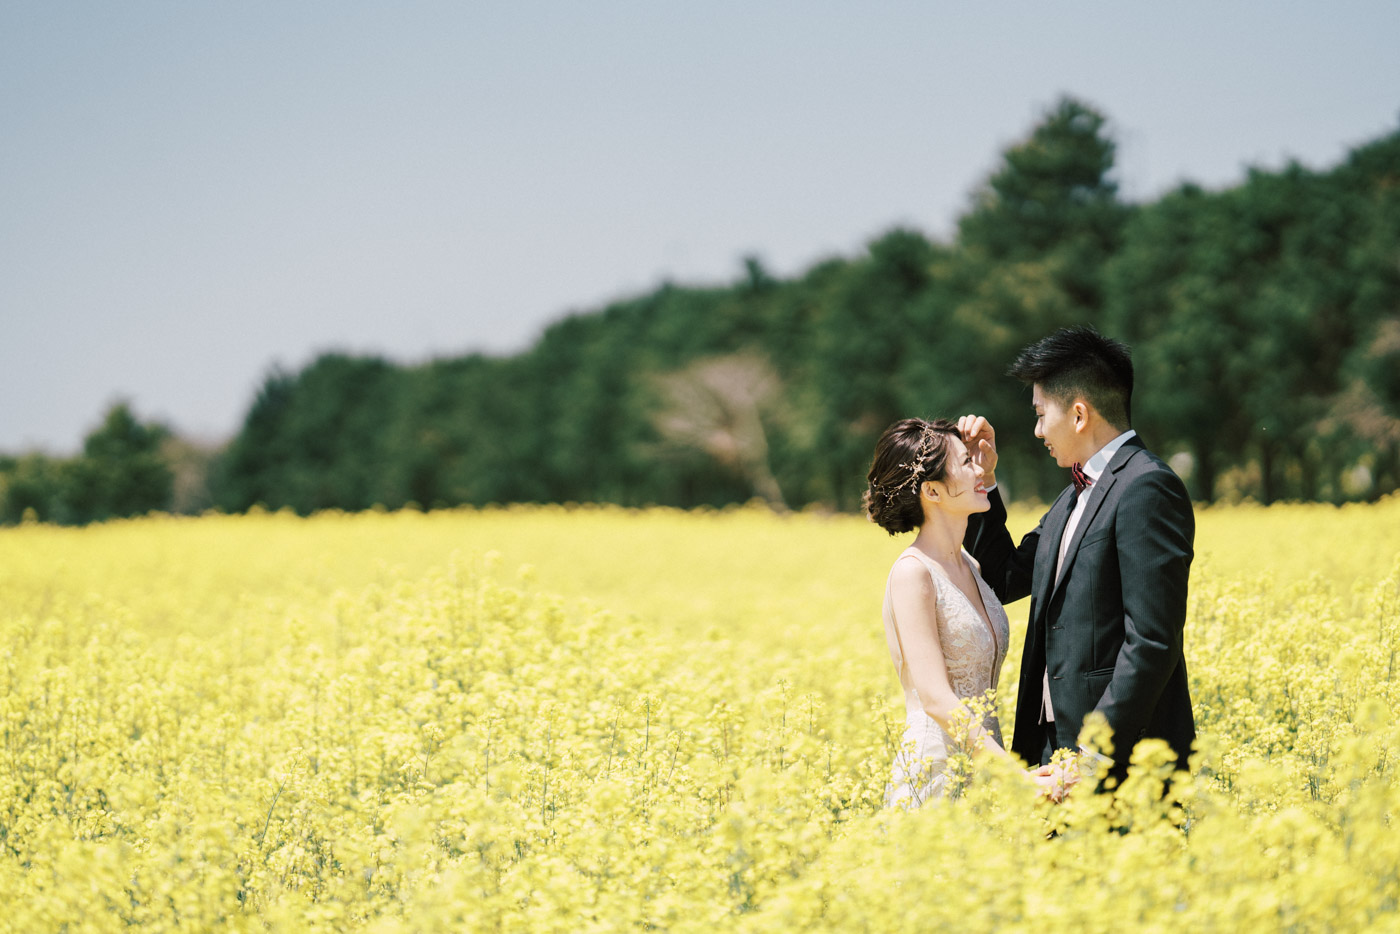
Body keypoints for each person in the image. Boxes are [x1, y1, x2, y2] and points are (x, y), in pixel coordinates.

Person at [960, 325, 1195, 794]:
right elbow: (1006, 578)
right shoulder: (1071, 499)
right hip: (1053, 751)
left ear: (1080, 413)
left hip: (1121, 761)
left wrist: (1092, 756)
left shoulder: (1146, 487)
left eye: (1041, 414)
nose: (1037, 430)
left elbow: (1151, 638)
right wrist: (982, 479)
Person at [865, 416, 1020, 807]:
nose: (980, 468)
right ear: (932, 490)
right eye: (967, 462)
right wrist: (1016, 777)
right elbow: (934, 697)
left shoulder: (972, 566)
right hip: (935, 772)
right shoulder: (912, 573)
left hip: (987, 765)